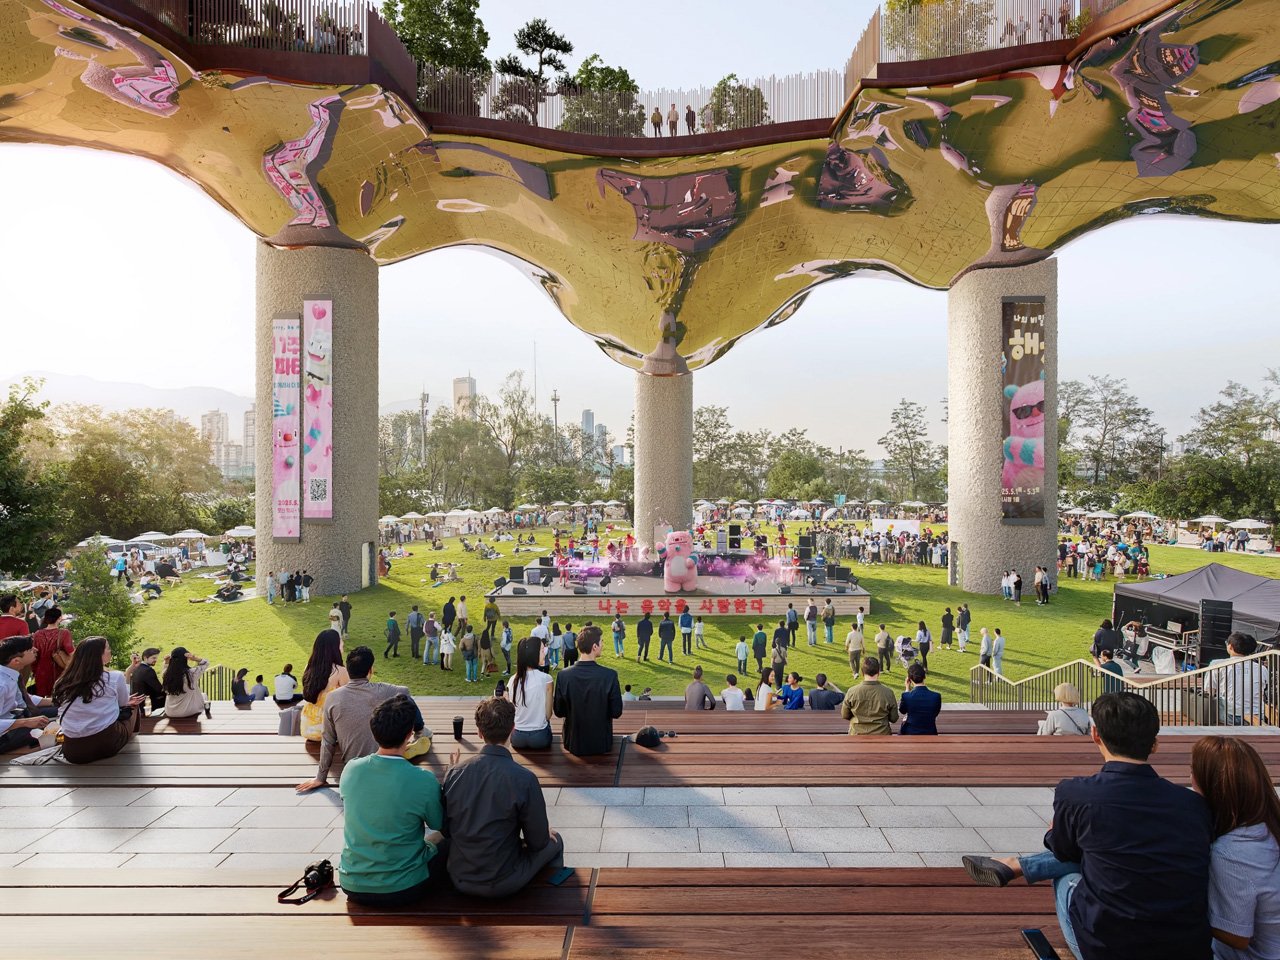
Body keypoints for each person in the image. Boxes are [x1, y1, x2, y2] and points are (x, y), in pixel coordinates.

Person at [961, 692, 1212, 960]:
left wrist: (1054, 829)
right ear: (1154, 745)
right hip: (1186, 947)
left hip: (1107, 948)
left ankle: (1018, 866)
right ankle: (1017, 865)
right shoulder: (1192, 804)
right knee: (1102, 853)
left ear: (1095, 735)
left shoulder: (1077, 794)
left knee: (1071, 869)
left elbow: (1063, 851)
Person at [442, 697, 564, 898]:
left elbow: (447, 829)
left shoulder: (455, 773)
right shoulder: (524, 778)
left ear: (479, 732)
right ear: (513, 729)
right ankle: (550, 899)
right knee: (555, 841)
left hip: (460, 876)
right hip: (503, 881)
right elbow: (538, 842)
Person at [338, 694, 445, 906]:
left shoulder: (351, 769)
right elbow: (440, 825)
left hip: (352, 883)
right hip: (405, 887)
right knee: (446, 840)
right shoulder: (422, 779)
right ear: (409, 735)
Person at [1191, 736, 1280, 960]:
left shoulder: (1230, 853)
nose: (1190, 780)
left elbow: (1236, 935)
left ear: (1213, 786)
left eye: (1194, 773)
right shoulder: (1268, 827)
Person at [297, 646, 430, 792]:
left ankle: (411, 740)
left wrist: (320, 778)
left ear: (349, 670)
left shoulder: (333, 697)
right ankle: (419, 732)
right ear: (370, 670)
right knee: (403, 701)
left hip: (353, 769)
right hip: (384, 764)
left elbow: (328, 740)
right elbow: (405, 691)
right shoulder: (382, 690)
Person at [51, 636, 146, 763]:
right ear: (98, 655)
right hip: (105, 744)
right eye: (107, 648)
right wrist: (128, 674)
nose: (110, 651)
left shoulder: (64, 681)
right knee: (133, 706)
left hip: (73, 751)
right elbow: (123, 703)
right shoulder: (114, 677)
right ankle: (131, 741)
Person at [552, 626, 622, 756]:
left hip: (573, 743)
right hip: (602, 743)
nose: (603, 645)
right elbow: (616, 712)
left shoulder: (563, 675)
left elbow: (559, 711)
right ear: (594, 646)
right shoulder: (609, 676)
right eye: (601, 642)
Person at [0, 636, 57, 752]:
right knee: (56, 730)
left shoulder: (9, 674)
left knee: (63, 710)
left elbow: (24, 699)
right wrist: (26, 722)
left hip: (17, 717)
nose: (35, 649)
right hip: (4, 734)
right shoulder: (2, 684)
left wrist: (54, 700)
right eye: (30, 649)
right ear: (16, 660)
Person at [1204, 632, 1269, 726]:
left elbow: (1209, 691)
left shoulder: (1217, 664)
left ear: (1230, 647)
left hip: (1229, 713)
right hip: (1257, 714)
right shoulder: (1262, 669)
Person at [300, 629, 348, 741]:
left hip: (307, 726)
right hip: (326, 731)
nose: (343, 645)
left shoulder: (309, 667)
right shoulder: (340, 671)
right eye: (340, 643)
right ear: (334, 647)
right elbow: (350, 699)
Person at [510, 636, 554, 750]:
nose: (544, 653)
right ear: (534, 654)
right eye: (542, 650)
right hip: (539, 738)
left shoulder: (512, 680)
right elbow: (548, 715)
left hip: (517, 738)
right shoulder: (546, 679)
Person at [840, 657, 899, 735]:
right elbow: (894, 718)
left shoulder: (852, 691)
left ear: (862, 672)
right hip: (882, 735)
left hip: (857, 735)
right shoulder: (888, 692)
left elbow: (845, 715)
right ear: (878, 672)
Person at [31, 606, 74, 698]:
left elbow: (34, 655)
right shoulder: (64, 633)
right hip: (58, 670)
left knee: (41, 699)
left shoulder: (37, 634)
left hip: (41, 670)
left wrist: (34, 670)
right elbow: (71, 651)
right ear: (59, 618)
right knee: (59, 698)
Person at [162, 647, 211, 719]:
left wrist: (166, 662)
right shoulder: (191, 673)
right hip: (187, 711)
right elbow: (206, 663)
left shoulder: (166, 674)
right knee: (204, 696)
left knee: (202, 695)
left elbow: (166, 667)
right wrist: (194, 658)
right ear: (185, 659)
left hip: (170, 712)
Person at [899, 662, 941, 735]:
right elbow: (935, 714)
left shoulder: (906, 696)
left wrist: (907, 689)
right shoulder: (936, 696)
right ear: (924, 677)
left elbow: (902, 711)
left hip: (910, 732)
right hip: (930, 732)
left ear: (909, 679)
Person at [126, 647, 165, 713]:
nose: (156, 660)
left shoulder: (137, 668)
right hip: (147, 704)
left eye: (156, 658)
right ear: (145, 658)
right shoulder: (148, 670)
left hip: (138, 704)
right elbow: (159, 689)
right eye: (153, 658)